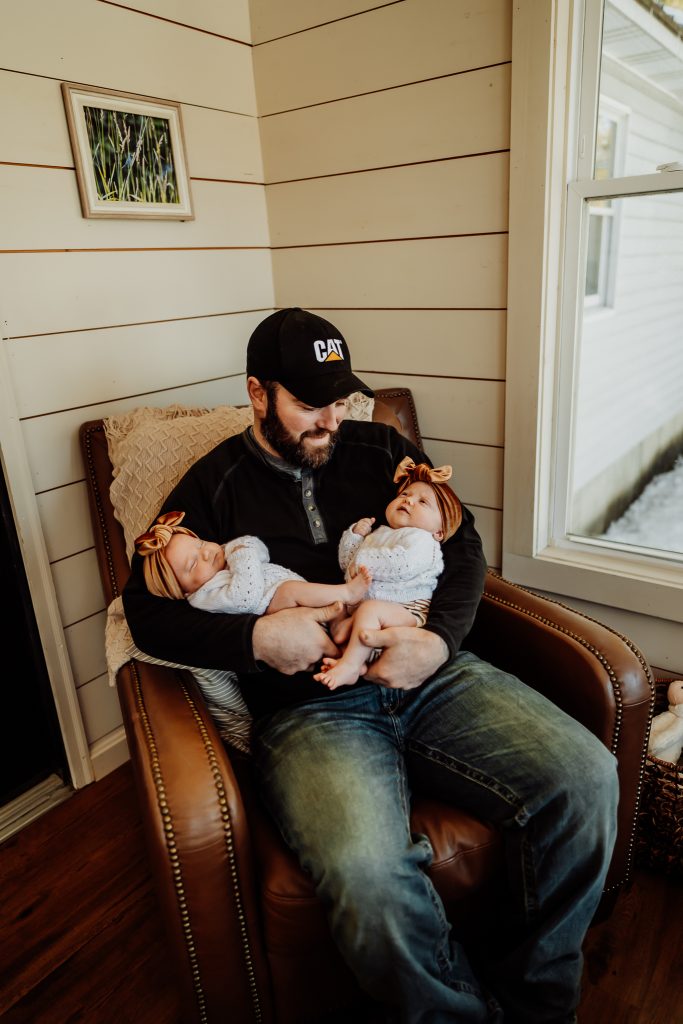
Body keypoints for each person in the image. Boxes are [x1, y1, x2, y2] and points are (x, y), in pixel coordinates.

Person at [123, 307, 619, 1024]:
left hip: (431, 674)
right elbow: (143, 611)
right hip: (310, 711)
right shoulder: (211, 485)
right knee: (366, 876)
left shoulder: (378, 446)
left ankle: (536, 1008)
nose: (329, 417)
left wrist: (437, 641)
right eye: (306, 402)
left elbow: (464, 547)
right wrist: (255, 642)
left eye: (336, 397)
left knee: (584, 778)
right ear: (258, 394)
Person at [315, 457, 462, 690]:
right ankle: (356, 660)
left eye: (422, 502)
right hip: (367, 617)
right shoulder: (380, 534)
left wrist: (363, 559)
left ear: (440, 531)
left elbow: (402, 565)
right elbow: (348, 565)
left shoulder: (422, 540)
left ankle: (351, 665)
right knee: (336, 609)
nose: (409, 501)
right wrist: (355, 536)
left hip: (406, 610)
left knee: (369, 610)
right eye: (405, 495)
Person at [133, 509, 372, 616]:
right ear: (183, 591)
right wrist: (239, 551)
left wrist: (237, 549)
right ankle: (347, 592)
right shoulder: (205, 596)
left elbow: (259, 550)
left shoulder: (224, 557)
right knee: (291, 590)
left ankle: (342, 627)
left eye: (200, 543)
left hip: (296, 598)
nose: (206, 552)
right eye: (193, 564)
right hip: (279, 607)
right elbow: (246, 596)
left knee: (337, 616)